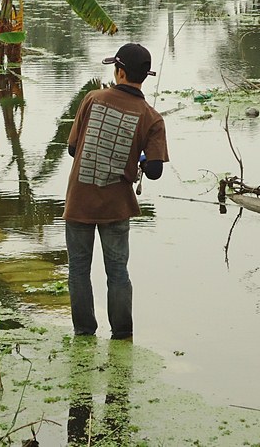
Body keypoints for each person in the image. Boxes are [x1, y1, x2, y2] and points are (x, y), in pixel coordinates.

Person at [63, 43, 169, 339]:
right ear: (144, 77)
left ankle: (84, 332)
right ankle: (122, 334)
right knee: (118, 272)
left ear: (119, 72)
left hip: (79, 201)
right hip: (116, 207)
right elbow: (156, 171)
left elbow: (73, 149)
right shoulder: (152, 118)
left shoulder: (92, 99)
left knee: (78, 271)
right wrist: (143, 159)